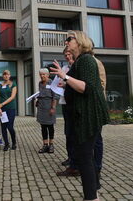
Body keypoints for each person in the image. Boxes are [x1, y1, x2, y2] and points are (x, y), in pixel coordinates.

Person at [51, 30, 109, 201]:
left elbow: (87, 87)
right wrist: (66, 82)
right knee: (85, 157)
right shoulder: (79, 62)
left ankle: (91, 197)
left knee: (85, 157)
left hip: (89, 115)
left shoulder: (87, 60)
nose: (66, 42)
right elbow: (78, 86)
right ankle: (93, 192)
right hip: (82, 114)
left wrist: (65, 77)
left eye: (69, 39)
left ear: (80, 41)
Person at [55, 48, 80, 176]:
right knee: (68, 132)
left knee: (74, 133)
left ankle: (76, 161)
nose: (67, 56)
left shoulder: (78, 66)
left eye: (69, 54)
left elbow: (77, 84)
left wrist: (65, 83)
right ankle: (70, 158)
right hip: (65, 102)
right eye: (65, 55)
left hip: (74, 103)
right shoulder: (64, 68)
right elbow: (60, 81)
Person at [36, 68, 59, 154]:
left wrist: (53, 107)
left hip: (49, 107)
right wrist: (37, 101)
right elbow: (40, 94)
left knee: (50, 126)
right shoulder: (40, 83)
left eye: (43, 74)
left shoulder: (52, 83)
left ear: (48, 75)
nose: (42, 76)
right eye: (40, 74)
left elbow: (55, 96)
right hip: (41, 107)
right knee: (43, 127)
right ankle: (45, 145)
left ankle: (51, 144)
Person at [0, 70, 17, 151]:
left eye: (7, 74)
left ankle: (14, 142)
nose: (6, 76)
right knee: (3, 127)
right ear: (3, 76)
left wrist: (2, 104)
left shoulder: (13, 84)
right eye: (4, 74)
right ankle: (6, 144)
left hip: (11, 108)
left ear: (9, 75)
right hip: (2, 109)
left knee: (10, 127)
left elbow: (12, 97)